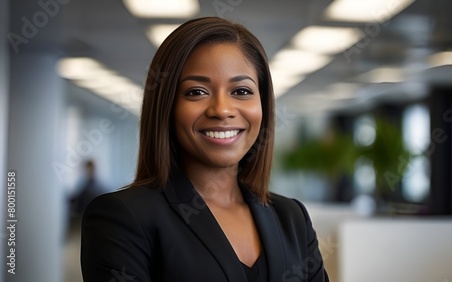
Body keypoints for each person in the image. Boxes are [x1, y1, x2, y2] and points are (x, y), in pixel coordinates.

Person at [80, 17, 329, 282]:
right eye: (197, 92)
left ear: (263, 105)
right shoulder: (122, 218)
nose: (221, 110)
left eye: (242, 90)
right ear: (167, 106)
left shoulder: (291, 218)